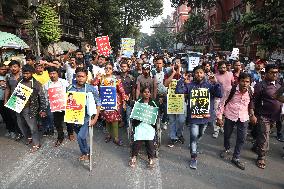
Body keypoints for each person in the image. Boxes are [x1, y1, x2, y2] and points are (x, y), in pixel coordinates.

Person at [176, 65, 222, 169]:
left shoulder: (209, 85)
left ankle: (195, 145)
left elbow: (219, 94)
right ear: (193, 74)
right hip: (193, 118)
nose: (199, 74)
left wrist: (216, 82)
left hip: (205, 117)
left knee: (199, 135)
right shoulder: (190, 85)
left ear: (204, 74)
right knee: (193, 136)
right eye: (197, 72)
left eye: (201, 72)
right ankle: (193, 157)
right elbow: (178, 91)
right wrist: (182, 79)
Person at [216, 72, 257, 170]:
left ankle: (236, 157)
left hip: (244, 117)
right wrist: (219, 117)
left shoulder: (251, 90)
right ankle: (227, 149)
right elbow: (222, 103)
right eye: (243, 81)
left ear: (250, 83)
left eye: (247, 82)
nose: (245, 84)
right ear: (238, 81)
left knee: (242, 138)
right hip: (230, 115)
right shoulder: (231, 90)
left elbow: (251, 103)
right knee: (227, 134)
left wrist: (252, 115)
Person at [67, 67, 101, 161]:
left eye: (82, 76)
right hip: (74, 118)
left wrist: (95, 119)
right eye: (78, 76)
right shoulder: (70, 88)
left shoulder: (90, 89)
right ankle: (86, 152)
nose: (80, 78)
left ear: (86, 77)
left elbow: (98, 103)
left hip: (86, 118)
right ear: (75, 77)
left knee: (80, 136)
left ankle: (85, 153)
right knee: (81, 138)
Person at [253, 64, 282, 169]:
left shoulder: (278, 85)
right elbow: (254, 100)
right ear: (266, 73)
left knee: (263, 134)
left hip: (275, 117)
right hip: (263, 116)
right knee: (265, 136)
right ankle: (261, 157)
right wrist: (253, 114)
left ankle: (256, 146)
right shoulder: (261, 85)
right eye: (272, 72)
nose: (275, 74)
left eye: (276, 72)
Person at [92, 63, 127, 146]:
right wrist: (97, 77)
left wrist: (124, 101)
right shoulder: (101, 78)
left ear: (112, 70)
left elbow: (121, 91)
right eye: (106, 68)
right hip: (105, 101)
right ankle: (108, 135)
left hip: (114, 102)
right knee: (107, 118)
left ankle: (116, 137)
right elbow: (93, 84)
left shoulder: (116, 79)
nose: (108, 69)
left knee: (115, 119)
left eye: (110, 68)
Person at [16, 65, 47, 152]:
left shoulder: (37, 84)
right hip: (18, 107)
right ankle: (28, 137)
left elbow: (42, 98)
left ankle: (37, 143)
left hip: (30, 109)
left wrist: (42, 109)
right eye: (23, 73)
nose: (25, 75)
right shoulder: (20, 81)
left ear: (32, 73)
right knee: (21, 125)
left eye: (27, 73)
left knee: (32, 127)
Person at [129, 86, 159, 168]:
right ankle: (134, 156)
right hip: (140, 124)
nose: (146, 93)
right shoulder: (138, 102)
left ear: (150, 93)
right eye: (145, 92)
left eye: (148, 92)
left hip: (149, 125)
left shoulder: (153, 103)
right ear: (142, 93)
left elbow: (157, 114)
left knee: (149, 140)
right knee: (138, 138)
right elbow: (134, 114)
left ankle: (150, 158)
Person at [43, 66, 73, 147]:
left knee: (69, 121)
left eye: (54, 73)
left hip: (65, 105)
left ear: (57, 74)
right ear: (48, 75)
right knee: (57, 123)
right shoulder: (46, 85)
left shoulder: (64, 82)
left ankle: (70, 133)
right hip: (55, 107)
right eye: (50, 74)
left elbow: (70, 92)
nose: (52, 75)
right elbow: (46, 97)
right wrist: (46, 107)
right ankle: (60, 137)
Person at [164, 58, 186, 147]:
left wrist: (180, 73)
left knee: (181, 120)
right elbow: (166, 84)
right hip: (171, 99)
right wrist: (173, 73)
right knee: (172, 120)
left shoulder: (184, 72)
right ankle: (173, 137)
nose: (177, 64)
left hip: (181, 100)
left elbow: (187, 82)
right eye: (175, 63)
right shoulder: (168, 72)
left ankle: (179, 134)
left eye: (178, 63)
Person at [213, 61, 234, 138]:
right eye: (221, 68)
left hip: (228, 98)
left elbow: (233, 84)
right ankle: (216, 131)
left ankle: (221, 126)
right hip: (218, 98)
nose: (223, 69)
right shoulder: (215, 76)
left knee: (224, 114)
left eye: (224, 67)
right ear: (218, 68)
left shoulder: (230, 74)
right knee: (217, 114)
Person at [4, 60, 23, 140]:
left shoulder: (24, 75)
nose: (13, 68)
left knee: (25, 117)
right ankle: (19, 133)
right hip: (13, 100)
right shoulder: (8, 76)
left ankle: (28, 133)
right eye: (11, 67)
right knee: (15, 118)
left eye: (15, 66)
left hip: (24, 100)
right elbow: (8, 88)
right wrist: (5, 99)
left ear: (19, 67)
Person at [116, 61, 135, 128]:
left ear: (128, 68)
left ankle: (129, 127)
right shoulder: (117, 78)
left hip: (128, 97)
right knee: (121, 111)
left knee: (128, 113)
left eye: (125, 66)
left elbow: (133, 88)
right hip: (119, 98)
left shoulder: (131, 77)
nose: (123, 68)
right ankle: (122, 122)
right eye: (122, 66)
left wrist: (132, 98)